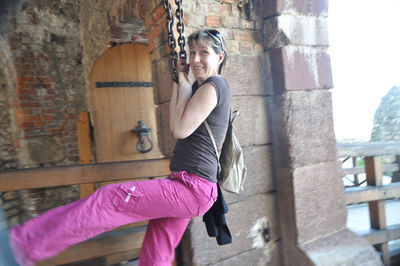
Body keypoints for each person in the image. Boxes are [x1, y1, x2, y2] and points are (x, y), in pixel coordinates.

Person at [9, 29, 232, 266]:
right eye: (193, 52)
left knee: (108, 199)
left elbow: (179, 130)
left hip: (192, 188)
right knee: (159, 243)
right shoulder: (201, 87)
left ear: (219, 57)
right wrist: (181, 84)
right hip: (186, 184)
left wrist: (185, 89)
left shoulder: (213, 85)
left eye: (204, 53)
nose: (195, 59)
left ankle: (23, 245)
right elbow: (174, 123)